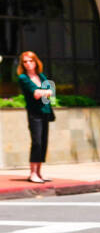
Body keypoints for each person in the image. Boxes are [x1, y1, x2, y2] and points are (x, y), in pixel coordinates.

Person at [17, 51, 55, 184]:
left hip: (45, 112)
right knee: (37, 142)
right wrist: (45, 92)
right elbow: (36, 93)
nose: (28, 64)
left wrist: (45, 92)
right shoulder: (23, 78)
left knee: (43, 142)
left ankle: (39, 173)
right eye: (25, 62)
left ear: (35, 61)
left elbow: (51, 91)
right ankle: (32, 173)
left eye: (30, 61)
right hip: (34, 114)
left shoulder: (41, 76)